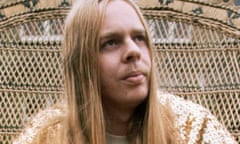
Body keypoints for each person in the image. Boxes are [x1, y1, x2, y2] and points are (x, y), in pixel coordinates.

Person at [13, 0, 237, 144]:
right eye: (111, 42)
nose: (133, 51)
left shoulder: (194, 129)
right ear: (81, 62)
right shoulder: (45, 136)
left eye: (139, 38)